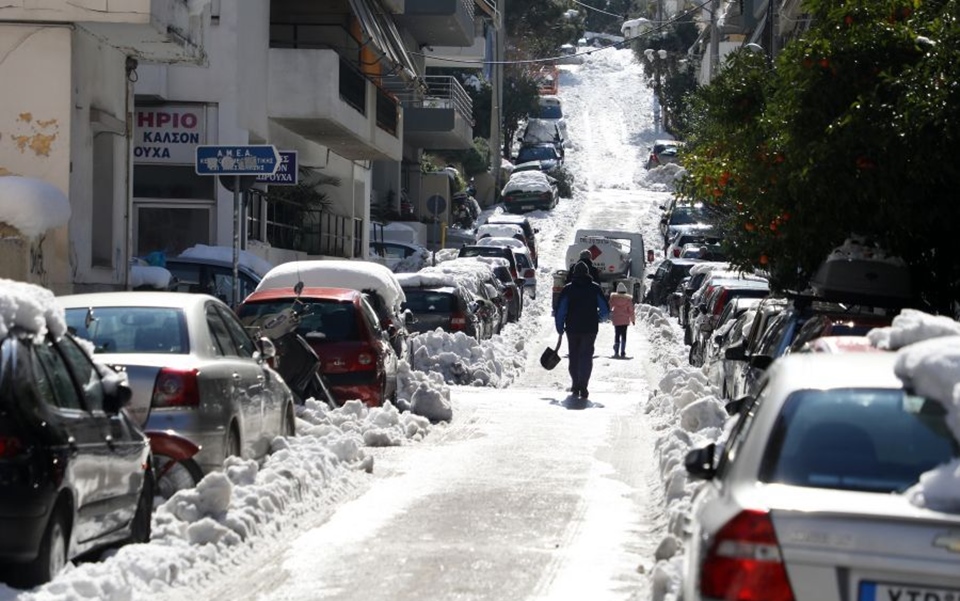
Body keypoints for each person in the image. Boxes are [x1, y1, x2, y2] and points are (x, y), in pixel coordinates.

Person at [555, 261, 610, 399]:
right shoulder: (595, 288)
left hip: (572, 328)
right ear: (587, 273)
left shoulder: (568, 289)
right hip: (590, 328)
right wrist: (597, 318)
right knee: (586, 356)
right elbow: (605, 310)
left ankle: (575, 383)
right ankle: (583, 384)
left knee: (573, 356)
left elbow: (561, 310)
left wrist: (560, 327)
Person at [609, 282, 635, 358]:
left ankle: (616, 351)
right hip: (625, 320)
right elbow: (631, 311)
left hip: (616, 320)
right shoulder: (628, 300)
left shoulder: (613, 298)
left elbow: (610, 307)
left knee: (617, 335)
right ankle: (623, 351)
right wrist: (633, 320)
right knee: (624, 335)